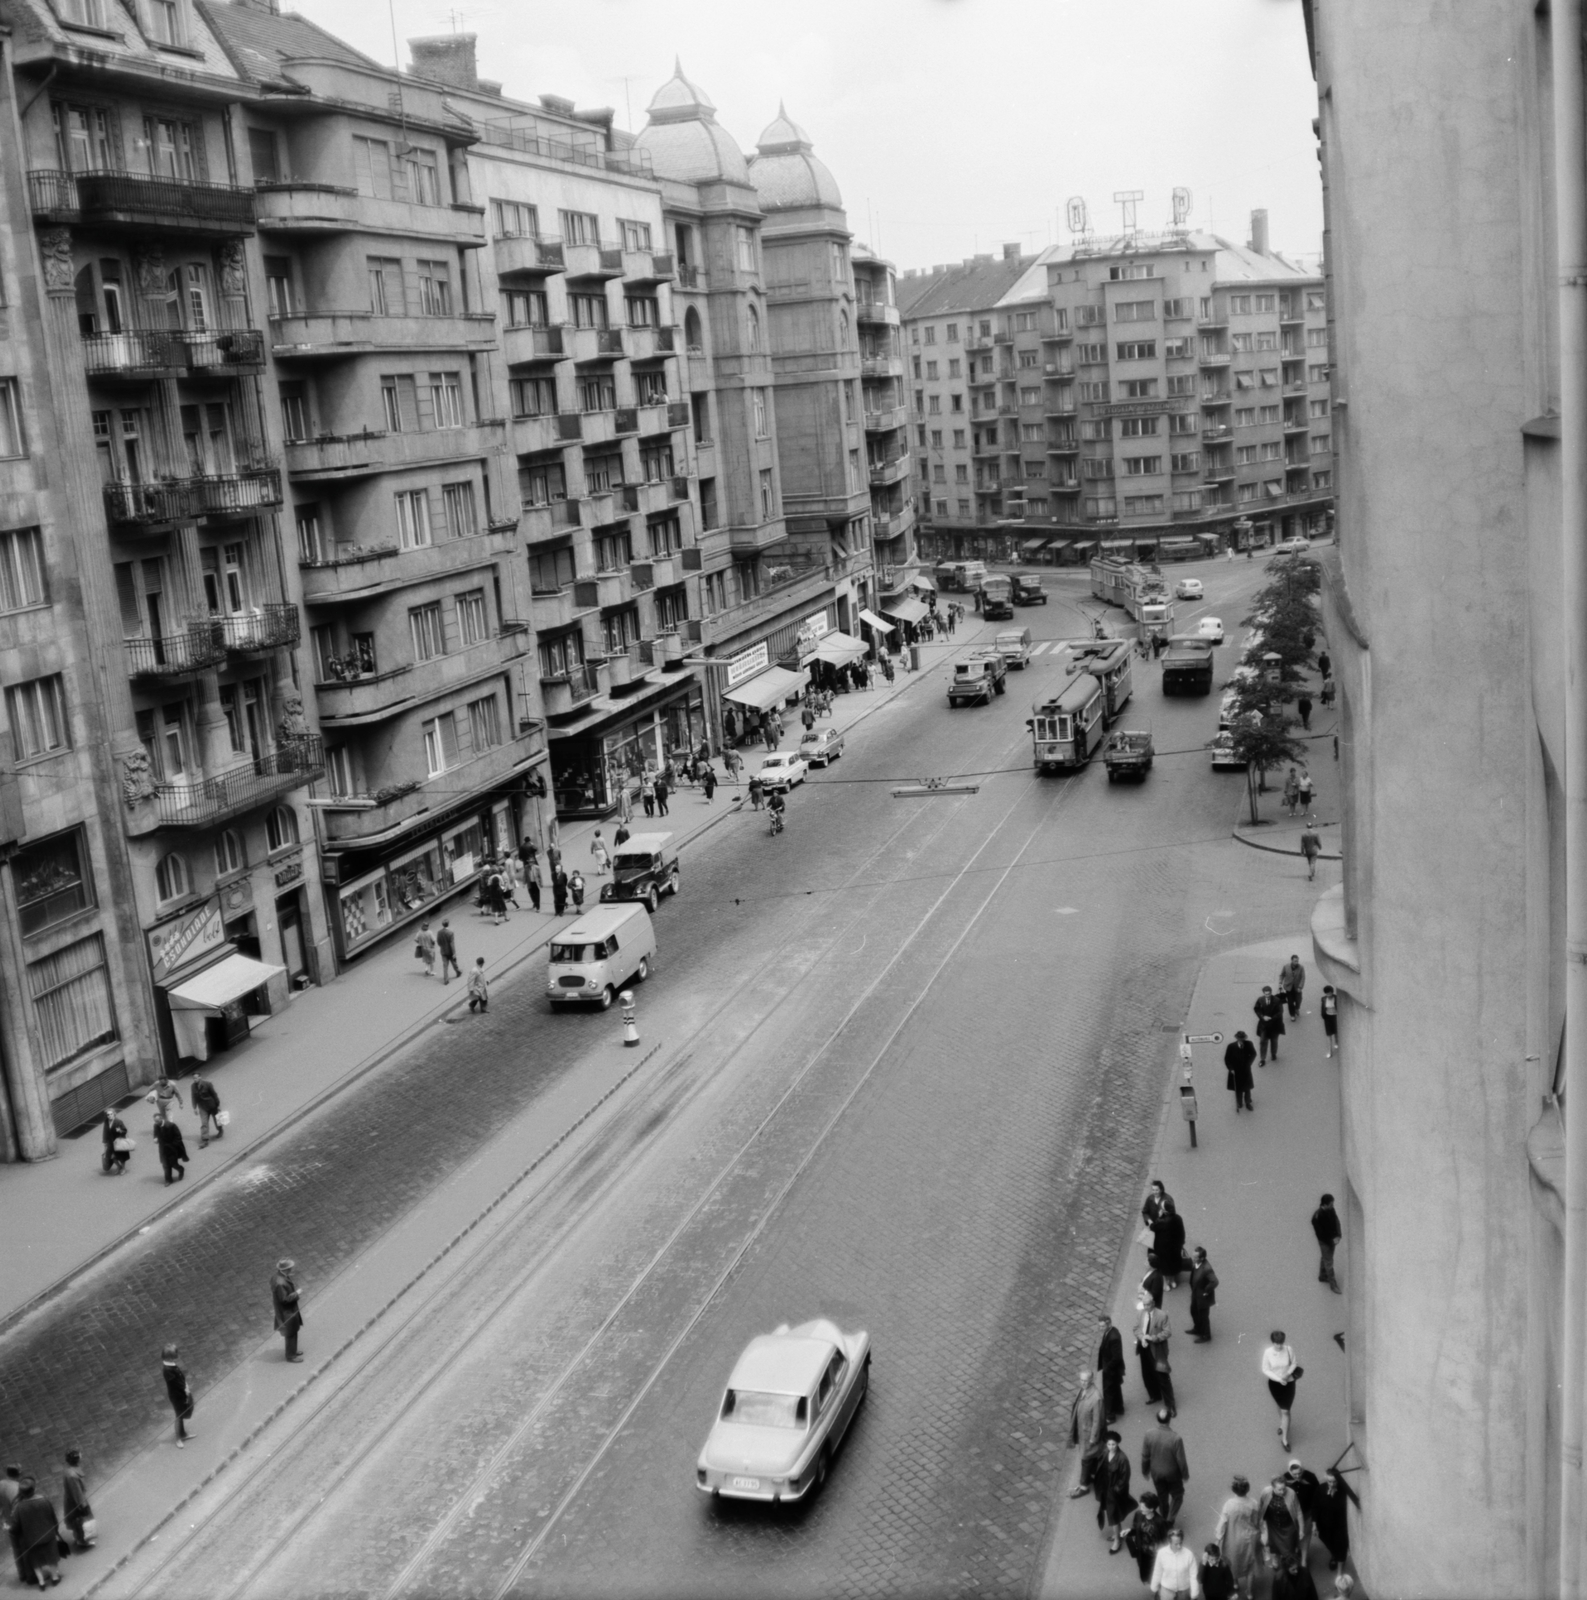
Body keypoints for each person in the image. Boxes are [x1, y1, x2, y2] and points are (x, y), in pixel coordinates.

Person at [1214, 1476, 1262, 1600]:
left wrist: (1218, 1538)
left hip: (1232, 1538)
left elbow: (1223, 1522)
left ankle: (1235, 1583)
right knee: (1250, 1566)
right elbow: (1257, 1521)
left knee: (1232, 1562)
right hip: (1249, 1539)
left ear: (1233, 1490)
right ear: (1247, 1489)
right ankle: (1250, 1592)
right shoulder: (1253, 1503)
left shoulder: (1229, 1504)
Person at [9, 1479, 61, 1589]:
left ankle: (41, 1583)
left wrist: (9, 1529)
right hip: (48, 1536)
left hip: (31, 1540)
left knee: (36, 1562)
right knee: (51, 1558)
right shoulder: (44, 1500)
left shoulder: (19, 1507)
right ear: (34, 1489)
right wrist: (56, 1531)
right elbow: (53, 1517)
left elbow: (15, 1528)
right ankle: (55, 1578)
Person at [1140, 1409, 1189, 1525]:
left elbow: (1145, 1456)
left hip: (1156, 1472)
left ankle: (1163, 1517)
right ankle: (1170, 1519)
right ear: (1169, 1419)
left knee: (1162, 1496)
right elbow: (1181, 1460)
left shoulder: (1149, 1434)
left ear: (1157, 1419)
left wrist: (1145, 1471)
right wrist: (1185, 1474)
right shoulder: (1176, 1438)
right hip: (1172, 1474)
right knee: (1177, 1495)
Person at [1094, 1431, 1136, 1555]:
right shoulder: (1105, 1453)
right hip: (1105, 1487)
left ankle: (1117, 1541)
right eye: (1109, 1444)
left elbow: (1125, 1477)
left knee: (1113, 1516)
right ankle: (1117, 1533)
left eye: (1113, 1444)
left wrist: (1116, 1489)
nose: (1111, 1447)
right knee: (1112, 1513)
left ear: (1117, 1444)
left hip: (1114, 1491)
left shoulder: (1122, 1458)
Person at [1068, 1368, 1107, 1495]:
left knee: (1085, 1458)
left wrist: (1093, 1438)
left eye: (1086, 1380)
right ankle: (1092, 1475)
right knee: (1091, 1457)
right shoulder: (1084, 1390)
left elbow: (1098, 1421)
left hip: (1089, 1434)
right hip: (1083, 1429)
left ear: (1091, 1380)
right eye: (1081, 1380)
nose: (1083, 1383)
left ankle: (1084, 1486)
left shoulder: (1096, 1398)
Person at [1262, 1331, 1301, 1450]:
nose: (1279, 1346)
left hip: (1289, 1383)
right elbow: (1266, 1369)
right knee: (1280, 1405)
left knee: (1286, 1411)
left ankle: (1284, 1440)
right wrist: (1279, 1379)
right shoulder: (1268, 1352)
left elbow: (1294, 1363)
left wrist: (1286, 1375)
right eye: (1276, 1343)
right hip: (1275, 1384)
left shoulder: (1289, 1349)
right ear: (1272, 1342)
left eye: (1281, 1343)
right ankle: (1282, 1424)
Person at [1258, 1474, 1305, 1573]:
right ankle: (1275, 1560)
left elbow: (1298, 1511)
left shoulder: (1291, 1493)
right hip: (1273, 1526)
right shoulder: (1266, 1492)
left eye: (1284, 1488)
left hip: (1288, 1527)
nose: (1283, 1491)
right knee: (1274, 1546)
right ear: (1273, 1487)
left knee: (1289, 1549)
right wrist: (1259, 1524)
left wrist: (1301, 1530)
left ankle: (1290, 1567)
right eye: (1279, 1489)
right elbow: (1261, 1506)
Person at [1311, 1468, 1353, 1573]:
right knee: (1329, 1542)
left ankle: (1339, 1573)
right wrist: (1314, 1524)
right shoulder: (1320, 1489)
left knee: (1341, 1547)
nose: (1332, 1484)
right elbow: (1315, 1506)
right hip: (1324, 1524)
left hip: (1339, 1525)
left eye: (1334, 1481)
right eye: (1329, 1481)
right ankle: (1334, 1555)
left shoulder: (1343, 1491)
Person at [1125, 1491, 1169, 1587]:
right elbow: (1136, 1528)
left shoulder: (1160, 1522)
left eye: (1144, 1508)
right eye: (1141, 1506)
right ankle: (1148, 1581)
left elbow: (1165, 1540)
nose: (1141, 1509)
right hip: (1142, 1551)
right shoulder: (1138, 1514)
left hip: (1155, 1554)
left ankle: (1157, 1587)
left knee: (1156, 1572)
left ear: (1152, 1509)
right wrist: (1129, 1531)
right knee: (1144, 1568)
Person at [1148, 1526, 1201, 1599]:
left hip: (1184, 1590)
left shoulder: (1189, 1554)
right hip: (1166, 1589)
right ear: (1169, 1542)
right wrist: (1154, 1586)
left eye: (1180, 1543)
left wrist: (1194, 1591)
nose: (1179, 1546)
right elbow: (1158, 1571)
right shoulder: (1162, 1553)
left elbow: (1193, 1575)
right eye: (1176, 1544)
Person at [162, 1343, 195, 1446]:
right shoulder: (168, 1370)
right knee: (179, 1415)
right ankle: (178, 1438)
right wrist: (185, 1389)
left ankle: (183, 1434)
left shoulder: (171, 1366)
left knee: (182, 1412)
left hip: (180, 1393)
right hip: (177, 1396)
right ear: (171, 1357)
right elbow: (175, 1383)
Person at [1151, 1196, 1187, 1289]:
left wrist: (1158, 1217)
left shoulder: (1161, 1221)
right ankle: (1173, 1280)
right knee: (1173, 1263)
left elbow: (1153, 1227)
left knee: (1164, 1265)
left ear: (1165, 1211)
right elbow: (1182, 1232)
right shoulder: (1178, 1218)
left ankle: (1166, 1283)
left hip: (1163, 1248)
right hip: (1175, 1247)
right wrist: (1181, 1243)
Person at [272, 1259, 304, 1363]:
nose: (291, 1269)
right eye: (289, 1268)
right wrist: (296, 1293)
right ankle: (291, 1356)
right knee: (290, 1333)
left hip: (287, 1311)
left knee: (292, 1331)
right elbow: (284, 1299)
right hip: (287, 1312)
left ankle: (293, 1351)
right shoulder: (280, 1283)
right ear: (286, 1269)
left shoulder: (277, 1277)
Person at [1096, 1313, 1127, 1420]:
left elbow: (1116, 1357)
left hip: (1111, 1369)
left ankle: (1110, 1415)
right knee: (1115, 1389)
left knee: (1108, 1392)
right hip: (1112, 1368)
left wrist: (1106, 1369)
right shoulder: (1110, 1332)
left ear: (1109, 1324)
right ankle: (1119, 1408)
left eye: (1102, 1326)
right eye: (1099, 1326)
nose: (1100, 1329)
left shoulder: (1113, 1337)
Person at [1134, 1291, 1163, 1404]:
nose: (1146, 1307)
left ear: (1153, 1304)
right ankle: (1153, 1395)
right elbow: (1136, 1329)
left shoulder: (1160, 1315)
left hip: (1155, 1347)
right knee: (1146, 1373)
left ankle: (1162, 1393)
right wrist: (1142, 1338)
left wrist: (1151, 1338)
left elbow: (1166, 1332)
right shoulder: (1140, 1314)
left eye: (1148, 1305)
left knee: (1158, 1372)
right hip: (1143, 1347)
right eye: (1144, 1305)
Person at [1311, 1194, 1343, 1293]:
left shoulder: (1331, 1210)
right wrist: (1331, 1241)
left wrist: (1338, 1235)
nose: (1333, 1205)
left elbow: (1337, 1222)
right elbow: (1321, 1235)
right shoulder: (1317, 1216)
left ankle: (1322, 1276)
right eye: (1331, 1204)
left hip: (1332, 1240)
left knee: (1325, 1257)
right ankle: (1333, 1285)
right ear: (1325, 1204)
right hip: (1325, 1242)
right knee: (1329, 1262)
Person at [61, 1452, 91, 1551]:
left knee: (77, 1522)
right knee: (78, 1521)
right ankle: (81, 1541)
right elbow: (77, 1493)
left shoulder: (70, 1471)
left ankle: (79, 1538)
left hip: (73, 1500)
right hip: (75, 1503)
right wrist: (83, 1506)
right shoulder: (72, 1476)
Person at [1188, 1247, 1219, 1342]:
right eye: (1193, 1256)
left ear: (1202, 1258)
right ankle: (1197, 1328)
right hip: (1195, 1293)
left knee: (1203, 1317)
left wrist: (1206, 1291)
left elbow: (1215, 1281)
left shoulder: (1206, 1269)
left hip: (1202, 1297)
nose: (1193, 1259)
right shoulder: (1196, 1263)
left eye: (1195, 1257)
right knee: (1194, 1311)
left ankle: (1206, 1335)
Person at [1225, 1030, 1256, 1112]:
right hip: (1236, 1071)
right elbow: (1227, 1058)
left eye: (1242, 1039)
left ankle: (1248, 1103)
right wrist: (1231, 1069)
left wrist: (1249, 1063)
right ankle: (1239, 1103)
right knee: (1238, 1089)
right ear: (1237, 1039)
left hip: (1246, 1070)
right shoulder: (1231, 1046)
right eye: (1240, 1039)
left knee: (1247, 1088)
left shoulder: (1249, 1044)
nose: (1241, 1040)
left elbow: (1253, 1054)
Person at [1253, 986, 1285, 1065]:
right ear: (1263, 993)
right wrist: (1262, 1017)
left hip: (1274, 1024)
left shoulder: (1277, 1000)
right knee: (1263, 1041)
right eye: (1266, 994)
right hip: (1264, 1025)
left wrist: (1271, 1018)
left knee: (1274, 1040)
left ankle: (1273, 1054)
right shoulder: (1260, 1000)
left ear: (1271, 992)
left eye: (1269, 994)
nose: (1267, 995)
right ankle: (1262, 1059)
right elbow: (1256, 1009)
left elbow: (1280, 1011)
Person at [154, 1113, 188, 1186]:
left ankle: (180, 1169)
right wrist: (155, 1138)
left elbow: (178, 1137)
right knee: (165, 1164)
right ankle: (168, 1180)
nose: (156, 1123)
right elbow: (155, 1134)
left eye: (157, 1121)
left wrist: (173, 1145)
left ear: (161, 1119)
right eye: (155, 1121)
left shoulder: (171, 1125)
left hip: (172, 1149)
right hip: (163, 1149)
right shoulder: (156, 1126)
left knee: (173, 1164)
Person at [191, 1076, 222, 1147]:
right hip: (202, 1107)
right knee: (204, 1123)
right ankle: (205, 1140)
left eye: (196, 1077)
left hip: (212, 1105)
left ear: (200, 1077)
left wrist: (218, 1105)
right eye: (193, 1078)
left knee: (217, 1120)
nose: (194, 1079)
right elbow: (193, 1096)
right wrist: (194, 1107)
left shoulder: (207, 1084)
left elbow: (214, 1094)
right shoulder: (193, 1086)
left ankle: (220, 1130)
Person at [102, 1107, 132, 1175]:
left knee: (121, 1157)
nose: (109, 1116)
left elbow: (125, 1130)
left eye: (111, 1114)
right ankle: (119, 1167)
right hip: (110, 1142)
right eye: (108, 1114)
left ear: (114, 1114)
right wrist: (104, 1141)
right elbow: (105, 1131)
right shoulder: (106, 1122)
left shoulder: (118, 1121)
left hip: (119, 1141)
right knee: (111, 1157)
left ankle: (123, 1168)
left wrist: (120, 1131)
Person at [1278, 954, 1306, 1021]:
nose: (1297, 962)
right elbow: (1282, 975)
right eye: (1295, 961)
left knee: (1298, 1000)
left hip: (1297, 988)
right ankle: (1292, 1015)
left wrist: (1300, 987)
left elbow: (1303, 977)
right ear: (1292, 960)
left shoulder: (1301, 967)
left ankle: (1297, 1008)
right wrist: (1280, 983)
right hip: (1288, 987)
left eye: (1297, 961)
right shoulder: (1286, 966)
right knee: (1290, 1002)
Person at [1319, 984, 1339, 1056]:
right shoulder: (1324, 999)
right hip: (1328, 1018)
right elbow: (1322, 1008)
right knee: (1329, 1034)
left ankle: (1336, 1042)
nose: (1328, 994)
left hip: (1335, 1017)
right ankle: (1329, 1051)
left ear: (1332, 992)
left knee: (1336, 1031)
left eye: (1329, 992)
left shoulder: (1336, 998)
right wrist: (1323, 1016)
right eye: (1327, 993)